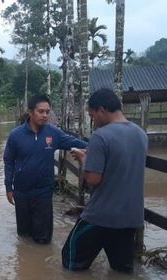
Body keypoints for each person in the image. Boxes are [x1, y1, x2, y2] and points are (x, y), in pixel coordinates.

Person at [62, 88, 148, 273]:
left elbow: (93, 179)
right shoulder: (141, 134)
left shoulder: (101, 136)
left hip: (101, 216)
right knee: (121, 270)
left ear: (101, 110)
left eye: (92, 116)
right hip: (130, 218)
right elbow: (121, 165)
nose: (93, 121)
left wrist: (84, 160)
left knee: (70, 262)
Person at [3, 95, 87, 244]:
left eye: (47, 112)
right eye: (40, 111)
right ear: (30, 112)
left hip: (43, 193)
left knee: (43, 239)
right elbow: (8, 161)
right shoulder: (16, 135)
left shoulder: (53, 133)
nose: (45, 115)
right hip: (21, 192)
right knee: (24, 237)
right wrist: (9, 187)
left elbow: (76, 143)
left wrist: (101, 144)